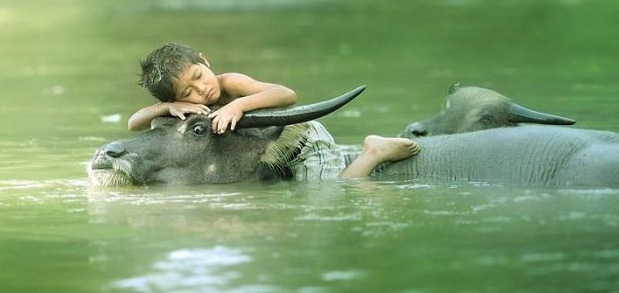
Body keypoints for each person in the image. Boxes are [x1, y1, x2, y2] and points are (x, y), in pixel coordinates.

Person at [127, 43, 419, 179]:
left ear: (204, 60)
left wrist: (238, 104)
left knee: (333, 189)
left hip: (300, 141)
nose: (200, 90)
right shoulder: (181, 105)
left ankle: (374, 152)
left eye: (198, 76)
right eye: (187, 92)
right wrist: (167, 107)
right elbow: (133, 123)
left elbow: (286, 95)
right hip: (270, 149)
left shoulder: (231, 82)